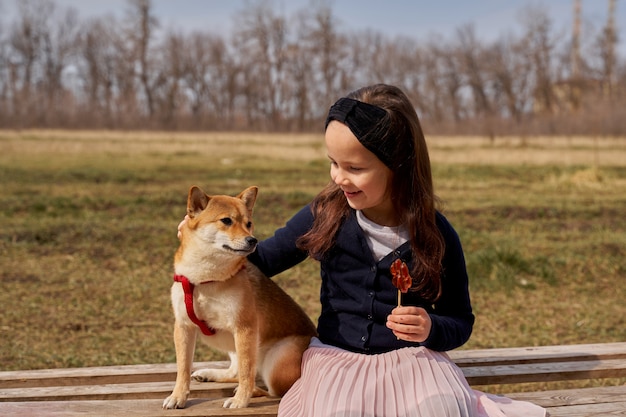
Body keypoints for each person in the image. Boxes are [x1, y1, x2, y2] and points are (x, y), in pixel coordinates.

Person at [180, 84, 546, 416]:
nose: (339, 177)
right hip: (337, 361)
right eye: (333, 163)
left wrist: (430, 327)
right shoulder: (323, 214)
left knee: (441, 409)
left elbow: (460, 321)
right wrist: (204, 240)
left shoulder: (435, 235)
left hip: (413, 362)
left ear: (398, 165)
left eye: (354, 167)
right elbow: (260, 259)